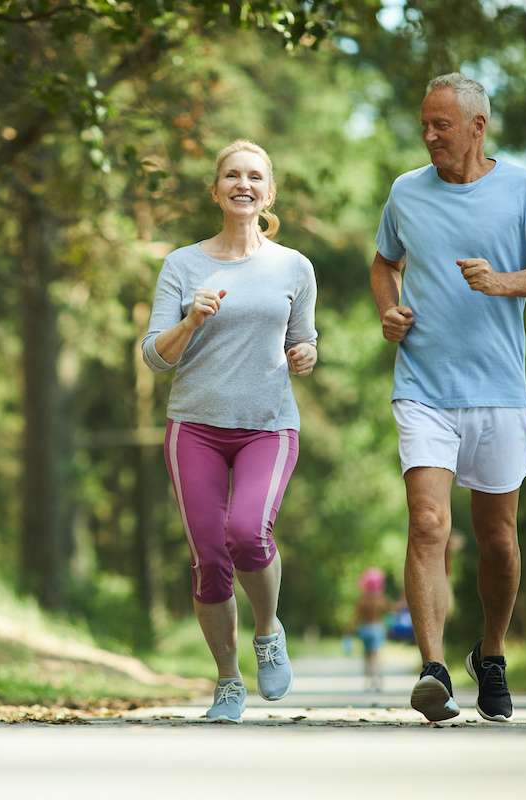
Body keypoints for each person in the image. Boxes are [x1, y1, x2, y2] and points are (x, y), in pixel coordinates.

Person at [369, 73, 526, 723]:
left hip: (499, 392)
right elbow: (384, 263)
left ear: (478, 127)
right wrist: (389, 311)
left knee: (498, 540)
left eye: (442, 125)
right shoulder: (406, 192)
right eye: (424, 124)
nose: (428, 135)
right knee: (428, 523)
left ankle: (490, 653)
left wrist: (503, 281)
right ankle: (432, 669)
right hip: (424, 385)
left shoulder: (520, 188)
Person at [142, 139, 318, 723]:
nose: (243, 184)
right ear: (216, 190)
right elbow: (154, 356)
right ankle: (227, 679)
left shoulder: (294, 266)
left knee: (247, 532)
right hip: (194, 426)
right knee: (209, 557)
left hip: (268, 427)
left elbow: (303, 339)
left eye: (255, 177)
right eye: (232, 176)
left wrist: (305, 355)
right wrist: (192, 318)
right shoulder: (182, 265)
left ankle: (267, 631)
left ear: (268, 192)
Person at [353, 568, 389, 691]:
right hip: (377, 628)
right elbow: (389, 609)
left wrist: (349, 629)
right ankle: (377, 679)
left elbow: (356, 617)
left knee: (367, 656)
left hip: (365, 629)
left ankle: (368, 680)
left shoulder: (362, 600)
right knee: (376, 656)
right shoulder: (380, 599)